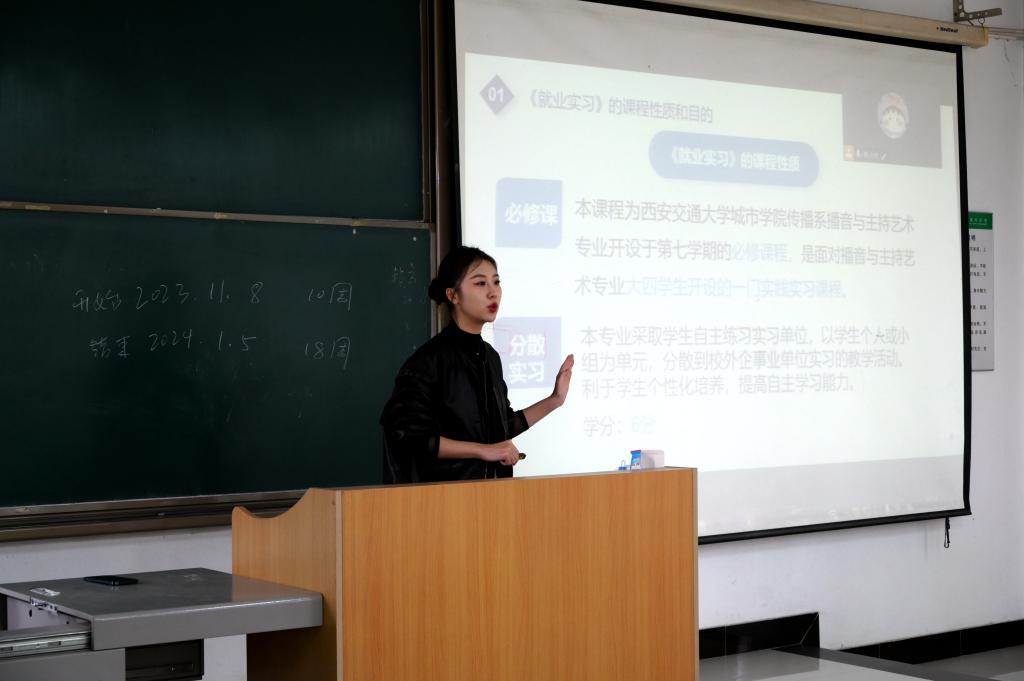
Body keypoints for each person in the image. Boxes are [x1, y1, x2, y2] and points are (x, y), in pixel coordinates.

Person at [380, 246, 573, 483]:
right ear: (453, 295)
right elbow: (408, 435)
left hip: (492, 494)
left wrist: (555, 400)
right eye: (481, 283)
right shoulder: (429, 361)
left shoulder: (490, 357)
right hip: (445, 497)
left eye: (496, 282)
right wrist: (483, 450)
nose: (493, 293)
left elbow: (503, 426)